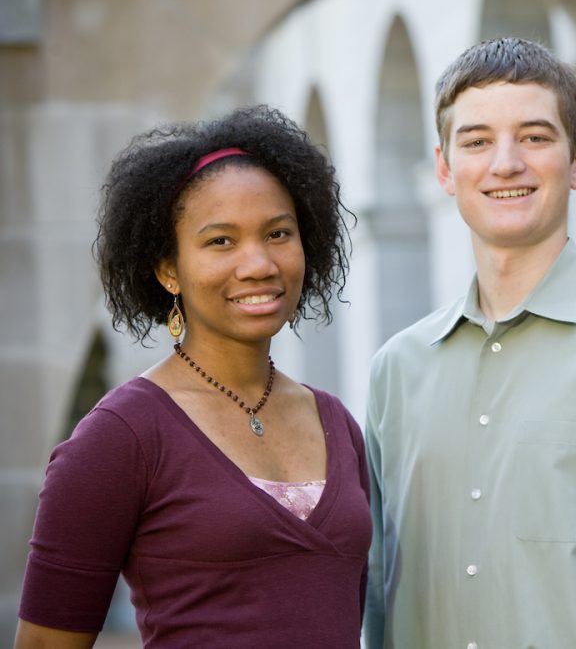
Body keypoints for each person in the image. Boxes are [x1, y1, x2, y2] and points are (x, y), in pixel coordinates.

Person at [364, 37, 576, 649]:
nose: (505, 164)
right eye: (476, 141)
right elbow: (374, 585)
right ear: (445, 169)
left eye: (534, 136)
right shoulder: (397, 369)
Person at [16, 106, 371, 648]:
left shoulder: (336, 424)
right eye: (220, 241)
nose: (258, 264)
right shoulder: (121, 436)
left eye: (278, 233)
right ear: (168, 270)